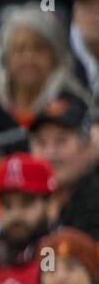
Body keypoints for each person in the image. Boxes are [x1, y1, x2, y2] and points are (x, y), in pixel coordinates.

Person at [0, 153, 56, 284]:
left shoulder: (57, 254)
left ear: (50, 205)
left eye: (26, 203)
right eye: (7, 205)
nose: (16, 215)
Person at [29, 93, 99, 240]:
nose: (49, 153)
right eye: (41, 143)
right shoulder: (28, 201)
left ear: (88, 146)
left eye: (61, 141)